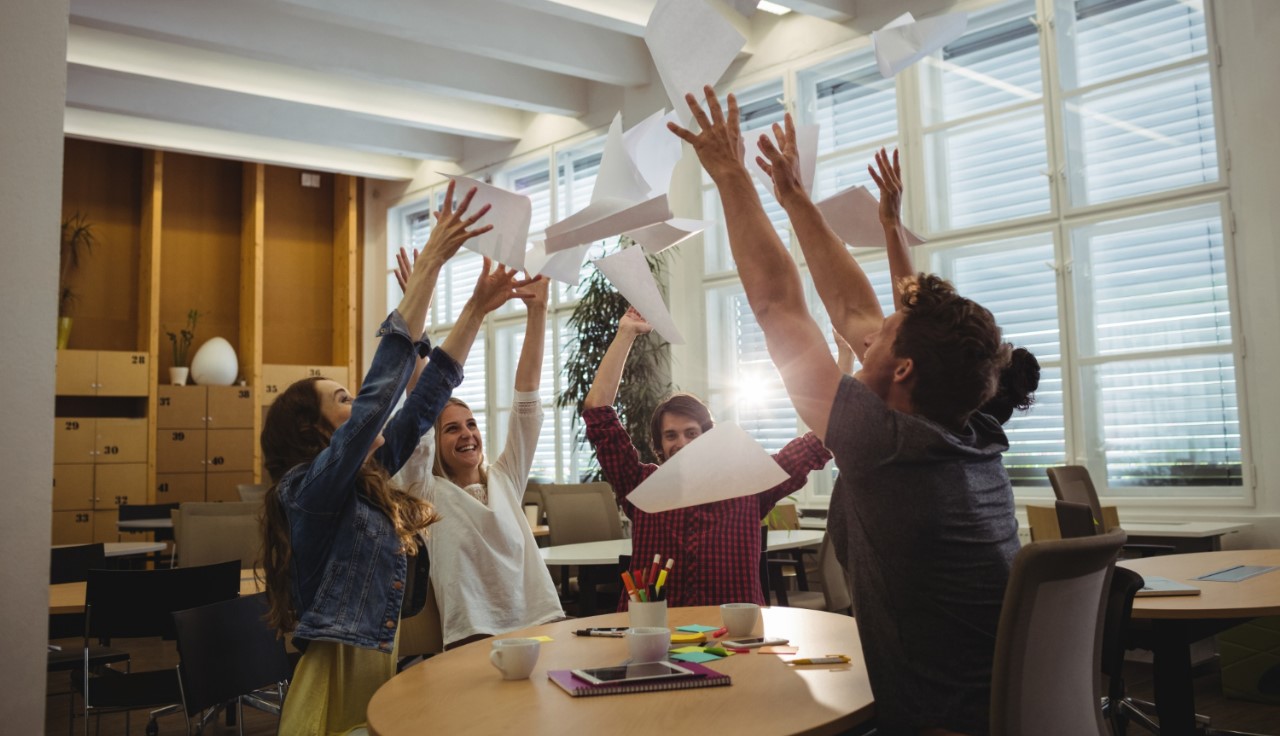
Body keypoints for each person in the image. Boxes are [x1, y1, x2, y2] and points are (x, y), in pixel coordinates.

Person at [672, 87, 1018, 736]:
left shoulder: (887, 449)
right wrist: (796, 199)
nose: (870, 328)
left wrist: (730, 174)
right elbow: (855, 313)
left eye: (889, 332)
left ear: (904, 371)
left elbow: (779, 306)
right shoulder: (966, 432)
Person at [258, 182, 530, 736]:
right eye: (341, 400)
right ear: (315, 432)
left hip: (377, 669)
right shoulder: (309, 490)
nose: (355, 405)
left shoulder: (363, 478)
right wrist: (431, 261)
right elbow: (378, 399)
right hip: (332, 688)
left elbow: (425, 399)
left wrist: (476, 309)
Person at [581, 306, 831, 609]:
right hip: (655, 632)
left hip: (732, 635)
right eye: (671, 435)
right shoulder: (640, 485)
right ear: (659, 445)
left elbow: (818, 441)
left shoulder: (748, 484)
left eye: (691, 433)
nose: (682, 443)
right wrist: (626, 333)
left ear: (709, 435)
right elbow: (598, 412)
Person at [395, 272, 565, 648]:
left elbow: (527, 402)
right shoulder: (425, 492)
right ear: (435, 443)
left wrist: (538, 312)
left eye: (471, 424)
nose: (467, 434)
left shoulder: (504, 478)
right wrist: (417, 304)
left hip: (539, 622)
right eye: (451, 429)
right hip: (475, 635)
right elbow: (421, 408)